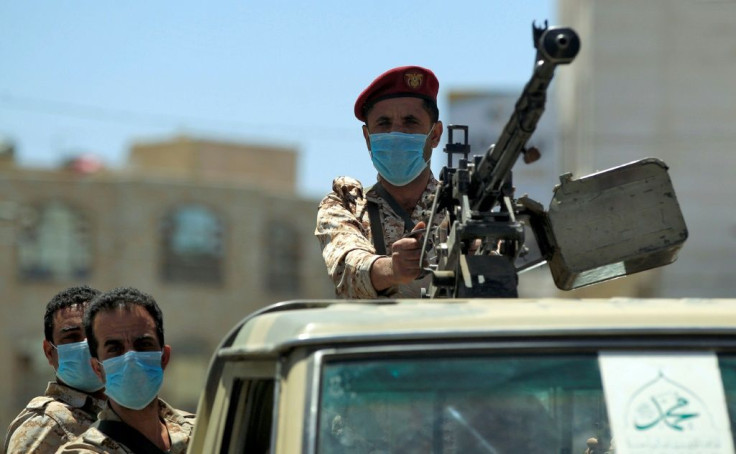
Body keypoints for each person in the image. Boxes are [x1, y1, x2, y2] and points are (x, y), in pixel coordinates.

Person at [315, 65, 444, 298]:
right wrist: (392, 269)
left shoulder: (462, 207)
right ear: (368, 138)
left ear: (434, 134)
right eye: (383, 124)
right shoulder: (346, 206)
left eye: (410, 122)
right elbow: (347, 270)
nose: (396, 133)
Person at [57, 287, 195, 454]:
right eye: (115, 349)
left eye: (143, 345)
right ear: (97, 369)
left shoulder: (203, 434)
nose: (131, 359)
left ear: (164, 357)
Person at [3, 285, 106, 454]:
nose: (87, 346)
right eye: (72, 337)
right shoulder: (45, 424)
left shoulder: (118, 415)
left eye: (95, 335)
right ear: (49, 352)